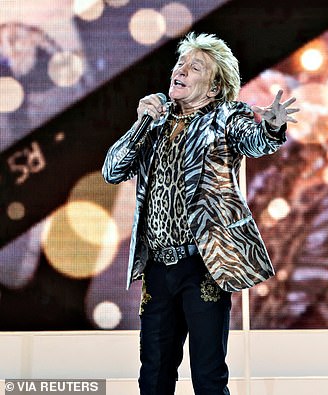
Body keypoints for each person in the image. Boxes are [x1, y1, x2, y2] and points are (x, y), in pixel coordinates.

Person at [102, 32, 298, 395]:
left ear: (212, 88)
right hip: (159, 267)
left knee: (207, 374)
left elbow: (254, 140)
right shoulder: (155, 122)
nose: (181, 70)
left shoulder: (226, 116)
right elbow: (112, 170)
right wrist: (140, 123)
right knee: (154, 374)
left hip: (203, 264)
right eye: (180, 63)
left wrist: (271, 125)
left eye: (195, 67)